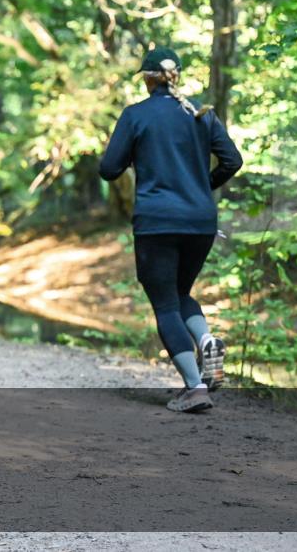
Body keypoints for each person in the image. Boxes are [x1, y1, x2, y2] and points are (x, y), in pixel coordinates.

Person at [99, 46, 242, 413]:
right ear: (176, 76)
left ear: (148, 79)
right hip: (200, 220)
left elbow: (109, 169)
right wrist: (199, 187)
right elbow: (233, 161)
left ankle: (195, 388)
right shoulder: (201, 115)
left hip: (157, 221)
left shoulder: (136, 115)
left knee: (164, 301)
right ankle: (206, 339)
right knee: (180, 292)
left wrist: (134, 151)